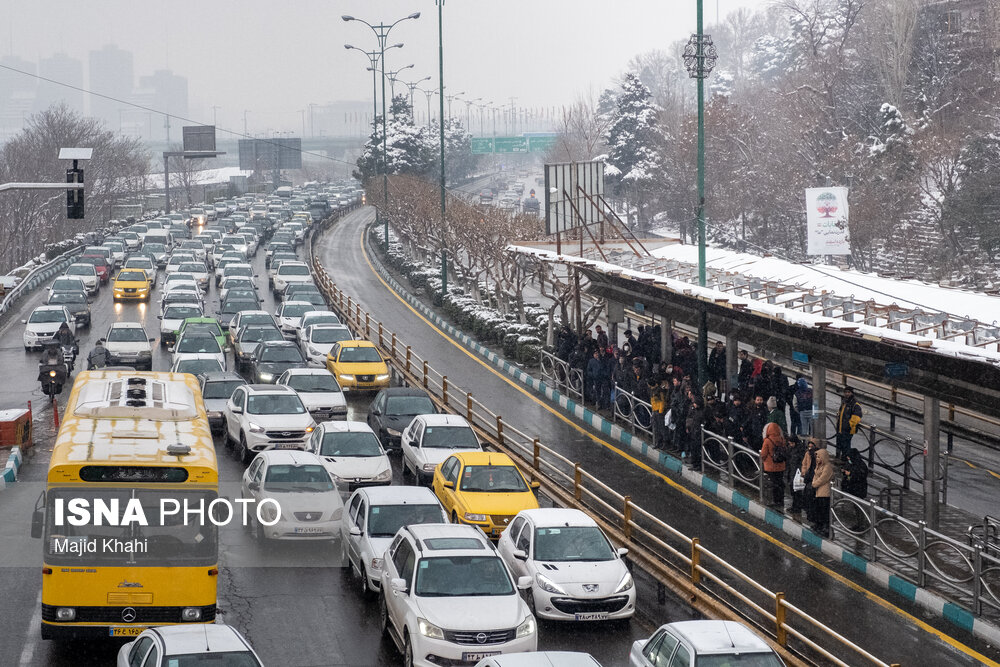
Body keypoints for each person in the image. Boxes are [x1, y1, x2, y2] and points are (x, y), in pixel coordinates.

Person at [760, 422, 787, 509]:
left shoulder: (767, 441)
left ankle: (775, 501)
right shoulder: (782, 439)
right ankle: (780, 500)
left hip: (771, 466)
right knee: (780, 483)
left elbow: (763, 454)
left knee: (773, 483)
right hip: (781, 465)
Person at [810, 447, 834, 536]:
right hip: (818, 491)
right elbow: (816, 476)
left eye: (819, 457)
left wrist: (814, 484)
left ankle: (825, 528)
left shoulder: (827, 467)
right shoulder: (819, 465)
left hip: (824, 492)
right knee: (819, 510)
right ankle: (819, 525)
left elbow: (823, 479)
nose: (817, 459)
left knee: (824, 511)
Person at [835, 387, 863, 460]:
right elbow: (841, 413)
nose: (847, 394)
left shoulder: (855, 404)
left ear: (852, 393)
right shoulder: (845, 402)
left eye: (849, 392)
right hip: (841, 428)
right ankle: (839, 458)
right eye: (846, 392)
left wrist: (849, 426)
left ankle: (845, 461)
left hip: (848, 430)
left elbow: (856, 417)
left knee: (846, 446)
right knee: (839, 444)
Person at [785, 435, 807, 518]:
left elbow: (801, 461)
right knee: (793, 490)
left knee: (797, 491)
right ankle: (795, 506)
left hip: (797, 473)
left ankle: (797, 507)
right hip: (791, 471)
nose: (790, 445)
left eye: (791, 443)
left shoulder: (800, 450)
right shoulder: (791, 448)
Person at [801, 438, 820, 526]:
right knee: (807, 497)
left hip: (814, 480)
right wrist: (804, 473)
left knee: (812, 499)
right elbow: (804, 464)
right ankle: (810, 514)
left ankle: (812, 516)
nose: (810, 448)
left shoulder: (819, 456)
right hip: (809, 479)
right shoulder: (807, 454)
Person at [649, 378, 668, 449]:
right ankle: (658, 442)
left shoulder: (659, 390)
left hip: (659, 412)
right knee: (656, 428)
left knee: (662, 428)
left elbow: (662, 401)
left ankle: (665, 442)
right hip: (654, 411)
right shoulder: (652, 390)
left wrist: (660, 411)